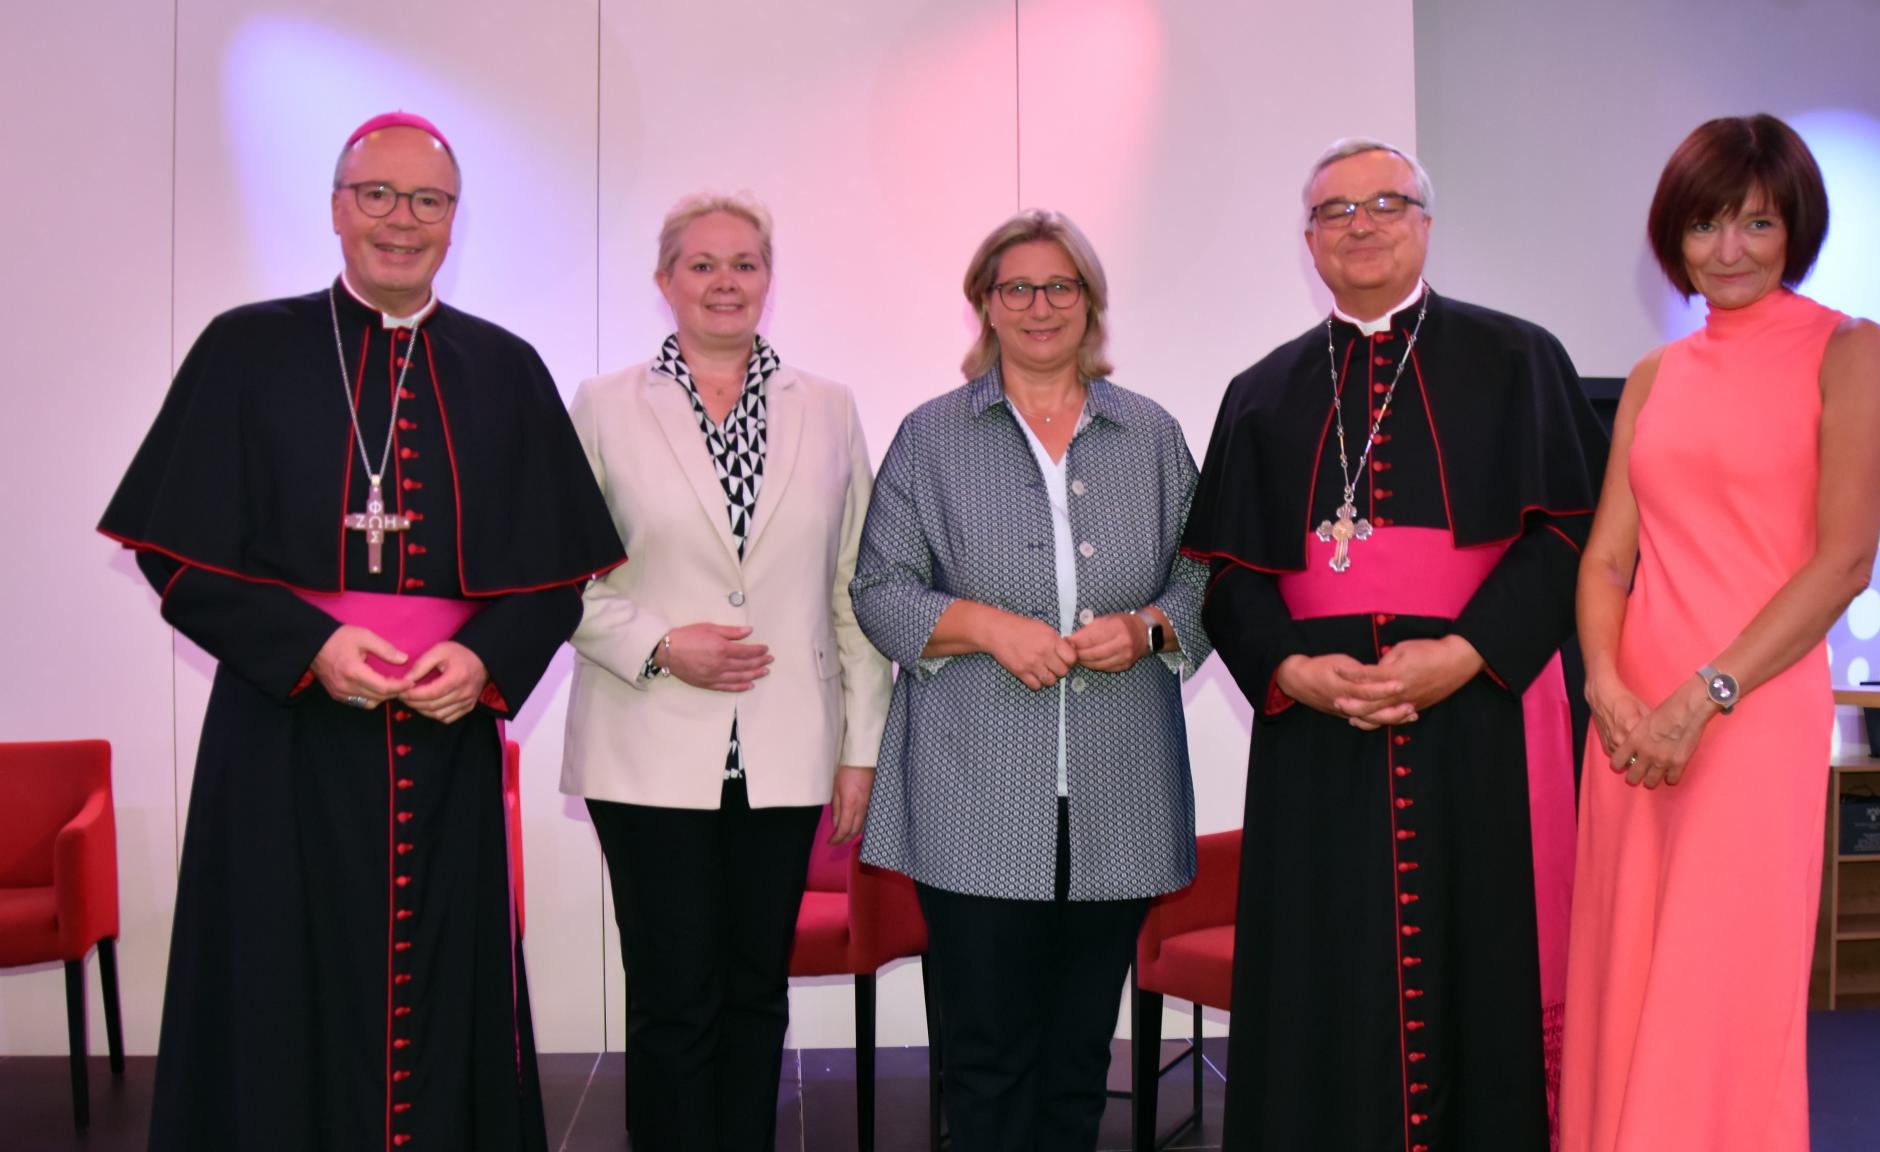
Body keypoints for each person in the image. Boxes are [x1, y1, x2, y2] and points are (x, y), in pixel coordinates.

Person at [98, 111, 625, 1151]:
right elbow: (174, 551)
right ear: (337, 210)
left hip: (442, 733)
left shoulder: (503, 368)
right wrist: (307, 646)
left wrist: (481, 659)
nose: (401, 219)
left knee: (439, 972)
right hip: (278, 731)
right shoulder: (245, 348)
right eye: (376, 195)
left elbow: (559, 577)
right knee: (277, 973)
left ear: (453, 221)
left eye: (426, 200)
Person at [1181, 137, 1609, 1150]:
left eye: (1385, 203)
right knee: (1325, 964)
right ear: (1307, 241)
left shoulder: (1518, 359)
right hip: (1314, 727)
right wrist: (1288, 668)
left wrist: (1464, 653)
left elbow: (1571, 534)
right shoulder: (1260, 390)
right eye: (1336, 211)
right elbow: (1225, 573)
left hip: (1476, 714)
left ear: (1422, 222)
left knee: (1478, 953)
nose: (1360, 224)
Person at [1559, 114, 1880, 1152]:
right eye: (1704, 226)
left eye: (1755, 223)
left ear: (1794, 226)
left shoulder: (1849, 349)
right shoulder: (1657, 374)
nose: (1728, 250)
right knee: (1624, 970)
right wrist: (1605, 688)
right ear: (1673, 238)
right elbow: (1606, 557)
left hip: (1748, 710)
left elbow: (1840, 561)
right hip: (1628, 722)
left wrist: (1702, 696)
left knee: (1718, 979)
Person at [850, 209, 1209, 1152]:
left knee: (1078, 1060)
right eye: (1018, 288)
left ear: (1090, 305)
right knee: (984, 1058)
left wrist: (1149, 626)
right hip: (974, 792)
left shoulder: (1152, 433)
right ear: (985, 305)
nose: (1040, 306)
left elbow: (1206, 576)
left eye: (1062, 287)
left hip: (1118, 793)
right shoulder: (930, 437)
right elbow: (878, 590)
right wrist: (984, 627)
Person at [560, 191, 891, 1151]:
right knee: (673, 999)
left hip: (788, 751)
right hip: (646, 742)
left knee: (756, 994)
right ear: (665, 280)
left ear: (769, 281)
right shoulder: (605, 406)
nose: (724, 282)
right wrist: (661, 644)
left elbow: (855, 586)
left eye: (744, 263)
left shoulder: (825, 408)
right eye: (701, 264)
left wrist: (860, 746)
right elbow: (560, 576)